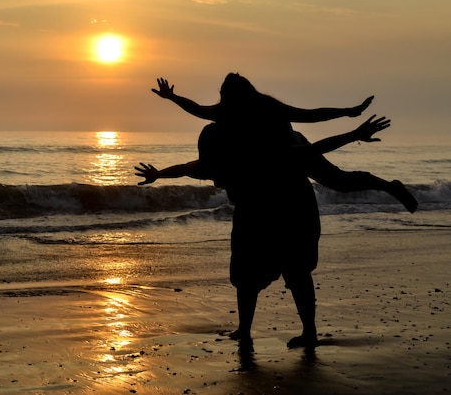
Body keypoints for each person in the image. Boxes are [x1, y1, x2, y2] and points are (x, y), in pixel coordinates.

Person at [135, 115, 392, 352]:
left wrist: (354, 134)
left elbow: (315, 149)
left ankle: (309, 332)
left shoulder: (262, 154)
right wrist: (158, 174)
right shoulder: (213, 161)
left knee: (297, 272)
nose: (213, 175)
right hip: (253, 215)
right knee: (245, 274)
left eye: (216, 164)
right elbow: (186, 167)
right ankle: (245, 330)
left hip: (293, 211)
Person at [151, 75, 417, 213]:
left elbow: (309, 115)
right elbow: (196, 110)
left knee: (339, 181)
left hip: (292, 148)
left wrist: (348, 112)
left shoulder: (267, 107)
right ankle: (387, 185)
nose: (226, 103)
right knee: (337, 181)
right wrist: (172, 98)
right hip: (268, 154)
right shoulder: (225, 111)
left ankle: (389, 186)